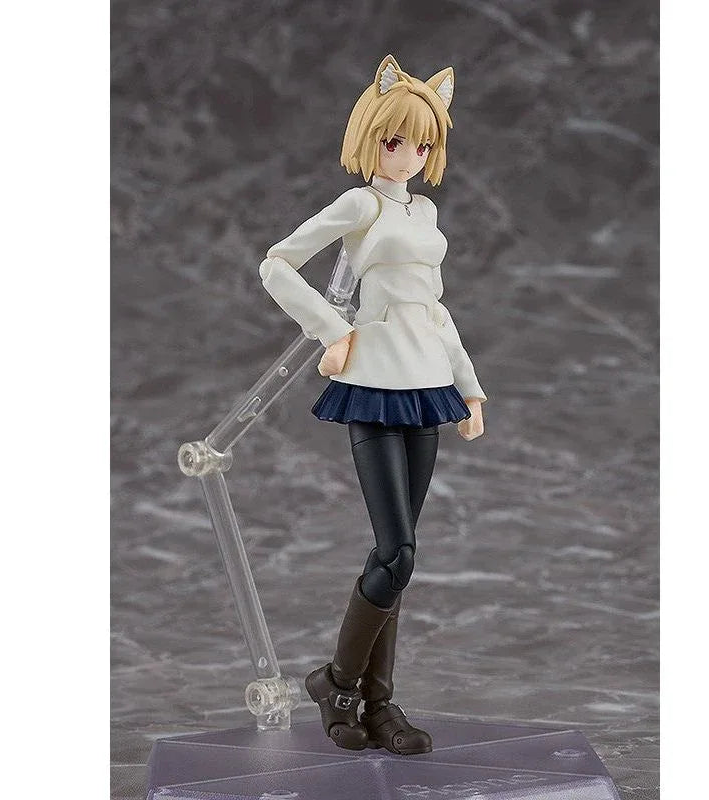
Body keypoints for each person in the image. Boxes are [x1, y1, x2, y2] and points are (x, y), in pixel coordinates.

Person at [258, 55, 487, 755]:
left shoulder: (427, 210)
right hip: (374, 380)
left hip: (427, 385)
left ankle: (374, 703)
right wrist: (333, 332)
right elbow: (277, 263)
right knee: (397, 551)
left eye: (422, 143)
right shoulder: (362, 205)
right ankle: (337, 682)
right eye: (395, 141)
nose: (409, 154)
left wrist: (469, 385)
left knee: (399, 555)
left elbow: (435, 310)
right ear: (372, 138)